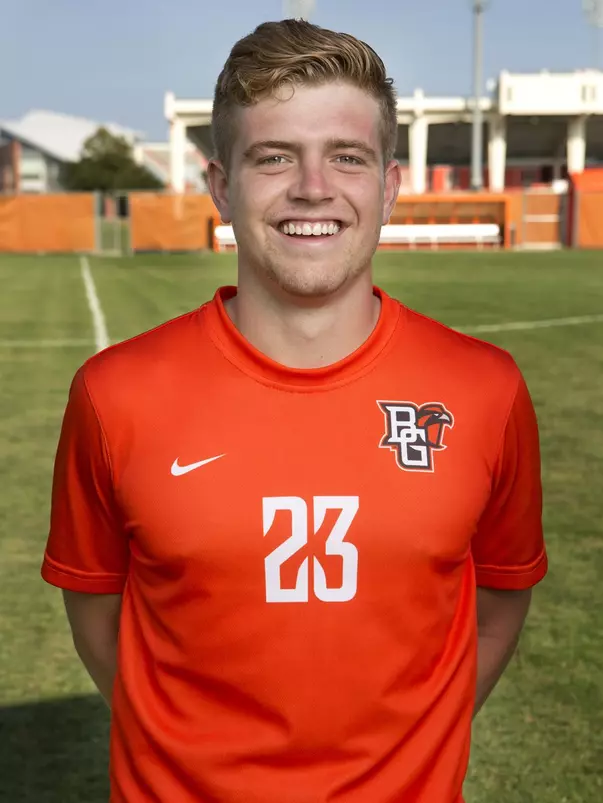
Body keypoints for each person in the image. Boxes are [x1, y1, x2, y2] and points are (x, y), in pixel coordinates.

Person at [41, 18, 548, 803]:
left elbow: (500, 602)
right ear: (220, 186)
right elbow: (98, 621)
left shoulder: (484, 388)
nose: (313, 187)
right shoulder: (116, 392)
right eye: (274, 157)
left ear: (386, 186)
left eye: (345, 156)